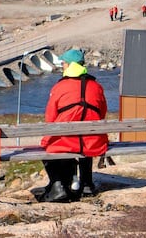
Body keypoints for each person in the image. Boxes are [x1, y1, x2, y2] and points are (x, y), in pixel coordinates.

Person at [40, 49, 107, 202]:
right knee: (85, 141)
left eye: (63, 63)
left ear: (70, 65)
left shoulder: (60, 87)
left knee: (51, 144)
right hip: (94, 142)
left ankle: (60, 186)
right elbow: (102, 113)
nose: (62, 66)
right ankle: (87, 184)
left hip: (67, 142)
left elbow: (50, 118)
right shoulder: (96, 86)